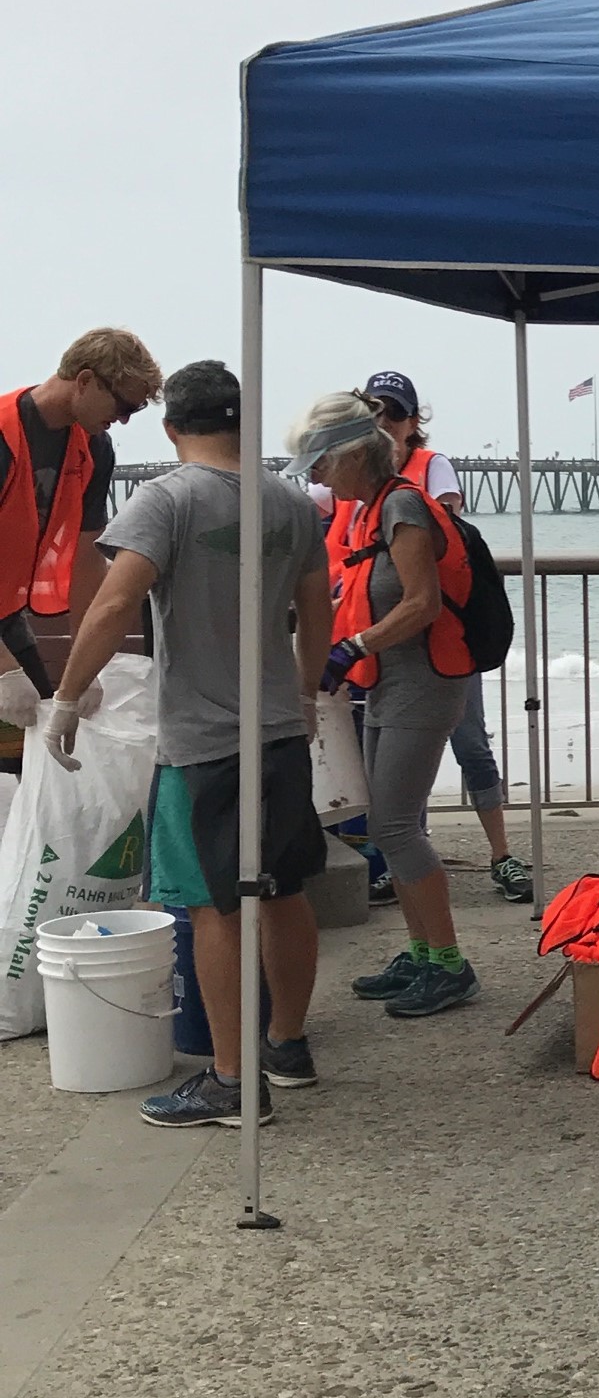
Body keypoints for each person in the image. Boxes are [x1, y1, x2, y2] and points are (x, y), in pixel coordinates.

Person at [47, 359, 331, 1127]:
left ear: (173, 427)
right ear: (243, 422)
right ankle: (288, 1044)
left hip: (202, 742)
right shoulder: (293, 503)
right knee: (285, 887)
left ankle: (233, 1083)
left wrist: (67, 697)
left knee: (211, 904)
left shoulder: (165, 499)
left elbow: (112, 605)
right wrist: (303, 695)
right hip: (278, 732)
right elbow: (317, 608)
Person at [292, 393, 482, 1017]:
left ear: (352, 455)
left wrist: (351, 647)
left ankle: (449, 964)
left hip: (424, 683)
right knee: (387, 825)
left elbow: (422, 602)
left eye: (320, 463)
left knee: (398, 826)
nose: (314, 476)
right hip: (392, 682)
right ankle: (424, 953)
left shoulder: (400, 504)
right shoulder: (371, 507)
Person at [359, 370, 530, 901]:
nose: (383, 422)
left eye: (393, 412)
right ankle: (408, 858)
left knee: (471, 743)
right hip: (384, 647)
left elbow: (443, 535)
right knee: (397, 772)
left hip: (442, 643)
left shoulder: (428, 472)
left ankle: (501, 854)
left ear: (414, 422)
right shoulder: (353, 485)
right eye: (373, 411)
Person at [0, 327, 165, 736]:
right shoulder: (3, 435)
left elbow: (86, 555)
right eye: (124, 404)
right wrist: (3, 670)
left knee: (35, 737)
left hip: (5, 614)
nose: (124, 419)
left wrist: (83, 667)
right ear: (86, 380)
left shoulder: (93, 449)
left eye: (136, 410)